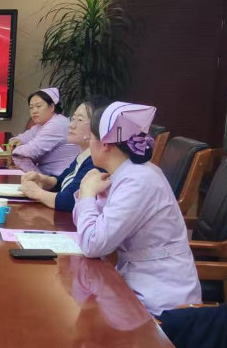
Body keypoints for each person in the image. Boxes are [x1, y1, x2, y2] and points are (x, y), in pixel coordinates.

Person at [72, 102, 201, 316]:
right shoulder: (126, 173)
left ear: (105, 144)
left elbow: (93, 243)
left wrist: (87, 195)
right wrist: (88, 195)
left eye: (91, 138)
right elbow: (88, 230)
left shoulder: (137, 181)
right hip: (135, 282)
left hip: (158, 300)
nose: (88, 143)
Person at [19, 97, 108, 212]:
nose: (71, 125)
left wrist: (38, 193)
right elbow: (62, 180)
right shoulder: (84, 155)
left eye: (79, 120)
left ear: (97, 127)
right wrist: (42, 179)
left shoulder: (96, 161)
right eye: (72, 119)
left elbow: (71, 200)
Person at [8, 88, 80, 176]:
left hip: (60, 178)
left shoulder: (57, 124)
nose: (34, 111)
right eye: (31, 107)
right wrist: (16, 141)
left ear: (52, 107)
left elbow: (32, 150)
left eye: (38, 106)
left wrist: (13, 149)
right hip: (46, 175)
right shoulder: (41, 125)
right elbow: (24, 137)